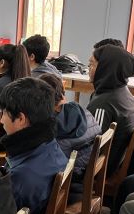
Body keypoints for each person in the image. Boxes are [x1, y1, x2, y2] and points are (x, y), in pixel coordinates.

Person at [0, 77, 67, 214]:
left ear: (21, 119)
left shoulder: (23, 175)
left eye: (5, 113)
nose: (1, 120)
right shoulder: (50, 145)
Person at [38, 73, 102, 201]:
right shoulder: (86, 113)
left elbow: (43, 170)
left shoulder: (50, 132)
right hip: (82, 185)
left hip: (65, 192)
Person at [87, 44, 134, 176]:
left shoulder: (103, 103)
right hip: (115, 161)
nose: (88, 68)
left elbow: (92, 145)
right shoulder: (124, 92)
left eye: (92, 64)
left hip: (101, 168)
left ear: (106, 68)